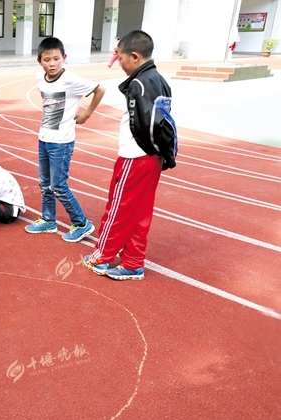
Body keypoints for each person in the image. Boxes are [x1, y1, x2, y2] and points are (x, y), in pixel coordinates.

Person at [83, 30, 177, 281]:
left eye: (121, 58)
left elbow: (144, 124)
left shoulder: (138, 83)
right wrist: (161, 153)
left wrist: (146, 150)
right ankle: (133, 262)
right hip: (152, 159)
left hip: (135, 157)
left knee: (119, 208)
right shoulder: (160, 79)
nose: (120, 64)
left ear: (134, 56)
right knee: (140, 211)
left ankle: (101, 257)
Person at [24, 36, 105, 243]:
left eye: (56, 59)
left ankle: (81, 223)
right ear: (39, 61)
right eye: (47, 59)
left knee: (58, 185)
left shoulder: (71, 80)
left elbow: (100, 89)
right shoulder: (40, 78)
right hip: (44, 138)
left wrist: (86, 114)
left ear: (64, 58)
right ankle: (48, 220)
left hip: (62, 141)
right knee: (44, 183)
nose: (52, 63)